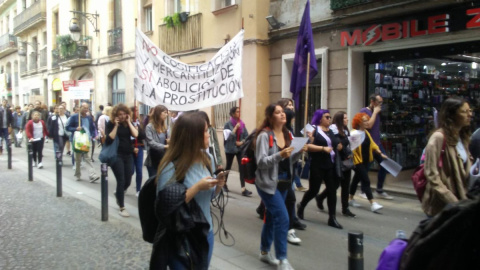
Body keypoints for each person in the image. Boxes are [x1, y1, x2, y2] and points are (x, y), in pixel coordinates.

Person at [150, 112, 226, 269]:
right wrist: (197, 187)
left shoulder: (208, 159)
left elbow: (209, 196)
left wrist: (218, 185)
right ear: (193, 136)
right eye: (205, 131)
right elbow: (163, 206)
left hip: (205, 233)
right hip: (181, 237)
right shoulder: (171, 165)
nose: (208, 135)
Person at [255, 104, 307, 270]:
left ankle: (264, 252)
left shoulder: (287, 135)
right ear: (271, 117)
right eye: (278, 112)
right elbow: (261, 162)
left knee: (271, 218)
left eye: (283, 112)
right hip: (268, 184)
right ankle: (282, 259)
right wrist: (279, 154)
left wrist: (298, 153)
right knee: (283, 218)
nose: (282, 114)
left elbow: (288, 161)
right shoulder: (265, 136)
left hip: (285, 182)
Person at [423, 97, 473, 217]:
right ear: (451, 115)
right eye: (464, 112)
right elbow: (431, 174)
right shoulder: (438, 138)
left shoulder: (463, 137)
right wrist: (451, 200)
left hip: (461, 202)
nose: (469, 114)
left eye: (470, 111)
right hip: (442, 207)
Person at [297, 109, 344, 229]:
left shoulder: (331, 130)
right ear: (320, 118)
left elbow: (335, 143)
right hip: (317, 164)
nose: (329, 119)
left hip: (330, 165)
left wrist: (338, 145)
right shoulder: (313, 129)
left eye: (330, 117)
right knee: (314, 190)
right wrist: (322, 148)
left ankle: (332, 218)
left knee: (332, 190)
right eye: (326, 117)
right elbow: (307, 146)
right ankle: (301, 205)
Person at [317, 111, 356, 217]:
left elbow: (345, 145)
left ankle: (345, 208)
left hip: (346, 160)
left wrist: (348, 152)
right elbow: (337, 145)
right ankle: (320, 197)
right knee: (335, 185)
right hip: (337, 160)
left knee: (346, 185)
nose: (347, 120)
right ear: (339, 119)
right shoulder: (334, 129)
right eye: (344, 118)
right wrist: (344, 147)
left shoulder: (345, 130)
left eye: (347, 118)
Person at [348, 112, 387, 213]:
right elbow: (350, 148)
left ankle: (350, 199)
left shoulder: (366, 132)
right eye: (364, 121)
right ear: (359, 122)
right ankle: (373, 203)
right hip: (357, 162)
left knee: (356, 180)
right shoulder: (354, 134)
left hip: (365, 161)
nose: (367, 122)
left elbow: (373, 144)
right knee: (366, 180)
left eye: (367, 120)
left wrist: (380, 152)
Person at [105, 104, 138, 217]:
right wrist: (116, 125)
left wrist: (129, 122)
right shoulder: (110, 124)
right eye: (120, 114)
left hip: (128, 154)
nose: (123, 116)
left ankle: (119, 194)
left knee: (128, 180)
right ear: (115, 115)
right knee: (121, 180)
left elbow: (136, 134)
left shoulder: (128, 123)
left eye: (124, 114)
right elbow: (110, 138)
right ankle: (122, 207)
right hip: (116, 155)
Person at [360, 94, 393, 200]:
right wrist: (374, 112)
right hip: (368, 145)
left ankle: (379, 189)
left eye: (381, 103)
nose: (380, 105)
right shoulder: (364, 111)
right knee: (366, 168)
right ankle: (363, 190)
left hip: (377, 144)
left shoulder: (377, 113)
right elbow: (368, 125)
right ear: (372, 101)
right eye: (379, 102)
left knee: (385, 164)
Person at [278, 98, 307, 192]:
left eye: (291, 105)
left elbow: (292, 156)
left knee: (289, 198)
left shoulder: (289, 130)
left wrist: (299, 150)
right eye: (289, 105)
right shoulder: (278, 132)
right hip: (280, 170)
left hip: (289, 167)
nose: (291, 107)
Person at [66, 102, 100, 182]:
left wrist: (92, 135)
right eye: (84, 108)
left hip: (87, 141)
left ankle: (92, 175)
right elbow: (68, 127)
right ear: (80, 107)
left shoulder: (89, 118)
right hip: (78, 141)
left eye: (87, 108)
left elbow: (92, 128)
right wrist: (75, 129)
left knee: (87, 158)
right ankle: (77, 174)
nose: (85, 110)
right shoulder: (74, 117)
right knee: (77, 159)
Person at [223, 106, 252, 196]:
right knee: (228, 166)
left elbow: (247, 135)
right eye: (236, 112)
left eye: (239, 111)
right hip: (230, 149)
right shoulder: (227, 124)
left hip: (240, 149)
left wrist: (242, 142)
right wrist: (235, 129)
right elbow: (227, 138)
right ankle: (224, 183)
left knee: (242, 167)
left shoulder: (242, 123)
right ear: (232, 114)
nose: (238, 113)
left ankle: (243, 189)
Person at [145, 105, 169, 178]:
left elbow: (167, 139)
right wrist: (164, 146)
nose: (166, 114)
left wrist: (169, 141)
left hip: (163, 158)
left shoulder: (165, 127)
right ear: (159, 113)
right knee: (153, 181)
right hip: (153, 158)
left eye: (167, 113)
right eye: (164, 112)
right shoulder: (149, 127)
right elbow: (150, 142)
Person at [130, 106, 146, 197]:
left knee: (139, 170)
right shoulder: (128, 123)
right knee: (131, 170)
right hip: (130, 147)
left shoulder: (139, 123)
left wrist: (138, 130)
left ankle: (138, 189)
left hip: (139, 147)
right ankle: (124, 186)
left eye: (137, 111)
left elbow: (143, 136)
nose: (137, 112)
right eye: (135, 111)